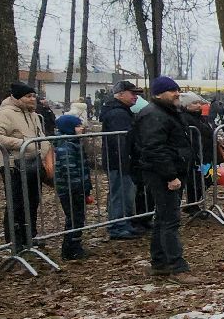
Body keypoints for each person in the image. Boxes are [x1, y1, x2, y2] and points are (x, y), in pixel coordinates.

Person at [133, 77, 194, 279]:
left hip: (171, 171)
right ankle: (177, 267)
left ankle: (159, 261)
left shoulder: (169, 112)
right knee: (170, 221)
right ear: (158, 94)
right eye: (171, 90)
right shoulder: (154, 115)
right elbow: (155, 148)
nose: (176, 93)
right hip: (162, 175)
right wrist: (170, 175)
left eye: (176, 89)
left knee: (162, 218)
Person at [0, 82, 49, 252]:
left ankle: (30, 235)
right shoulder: (6, 114)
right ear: (17, 98)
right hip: (13, 165)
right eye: (28, 96)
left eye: (34, 96)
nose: (32, 99)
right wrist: (22, 144)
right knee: (16, 203)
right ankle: (14, 240)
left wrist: (46, 152)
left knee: (33, 201)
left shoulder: (34, 115)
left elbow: (40, 136)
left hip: (33, 164)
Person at [98, 81, 144, 239]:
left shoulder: (121, 111)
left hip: (122, 160)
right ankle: (117, 226)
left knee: (124, 192)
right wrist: (128, 157)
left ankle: (124, 222)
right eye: (133, 93)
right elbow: (121, 141)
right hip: (119, 161)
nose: (136, 97)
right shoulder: (118, 113)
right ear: (121, 94)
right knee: (120, 192)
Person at [50, 114, 93, 261]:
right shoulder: (66, 146)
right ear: (69, 128)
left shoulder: (74, 143)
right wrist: (78, 187)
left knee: (77, 218)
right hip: (70, 189)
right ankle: (70, 249)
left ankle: (74, 245)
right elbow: (69, 170)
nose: (82, 128)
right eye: (78, 126)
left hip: (77, 188)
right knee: (74, 218)